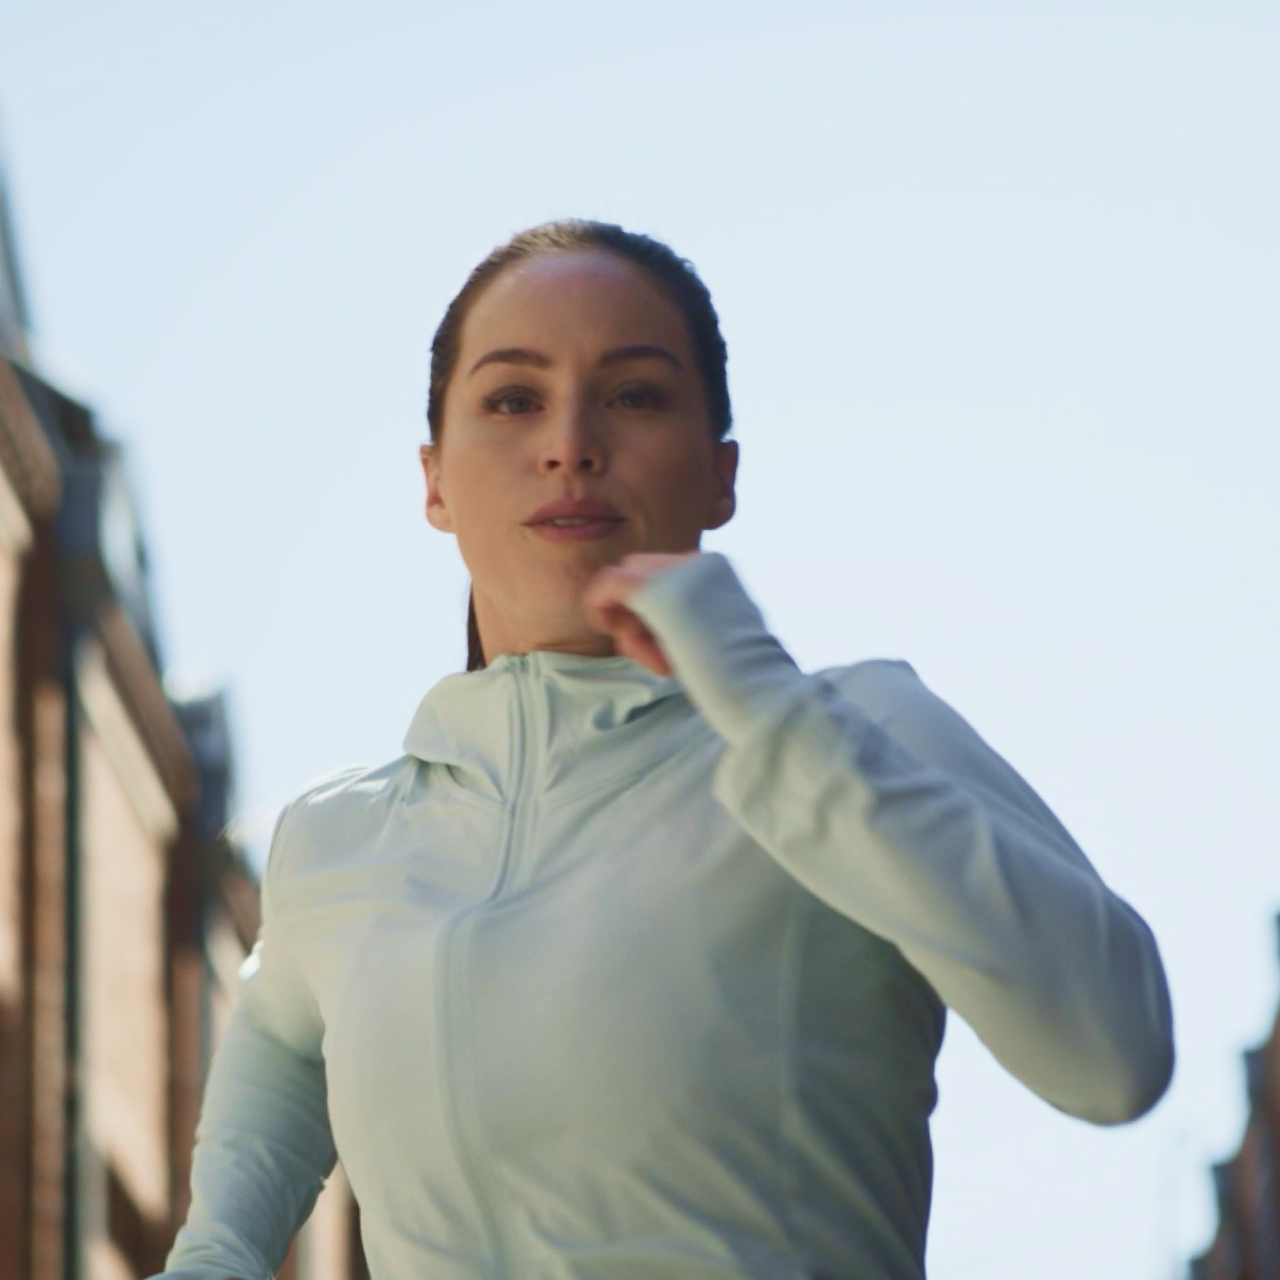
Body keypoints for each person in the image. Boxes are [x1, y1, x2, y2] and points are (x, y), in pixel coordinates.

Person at [153, 220, 1174, 1280]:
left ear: (720, 475)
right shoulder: (338, 835)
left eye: (634, 394)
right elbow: (282, 1028)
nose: (569, 442)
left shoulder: (859, 732)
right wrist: (217, 1246)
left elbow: (1114, 1055)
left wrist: (768, 712)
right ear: (434, 482)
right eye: (511, 399)